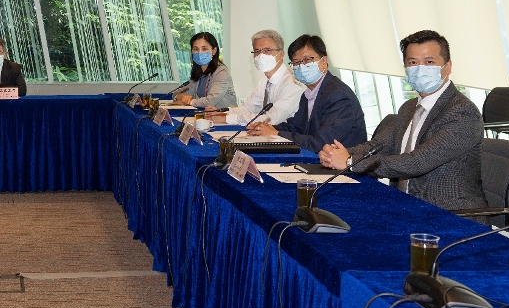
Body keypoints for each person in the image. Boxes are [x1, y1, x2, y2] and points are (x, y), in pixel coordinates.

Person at [319, 30, 487, 215]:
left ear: (448, 67)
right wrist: (336, 154)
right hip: (405, 204)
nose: (420, 69)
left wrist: (350, 162)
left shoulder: (462, 112)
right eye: (413, 62)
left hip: (449, 214)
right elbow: (379, 145)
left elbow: (416, 162)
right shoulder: (409, 107)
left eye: (429, 62)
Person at [247, 34, 366, 153]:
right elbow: (297, 127)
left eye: (307, 60)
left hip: (340, 162)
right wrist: (267, 128)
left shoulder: (337, 95)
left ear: (324, 61)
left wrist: (277, 133)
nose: (301, 66)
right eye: (296, 62)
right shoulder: (307, 94)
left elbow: (322, 143)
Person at [205, 29, 304, 127]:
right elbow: (248, 108)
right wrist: (222, 113)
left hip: (285, 134)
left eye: (267, 50)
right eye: (257, 51)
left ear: (281, 54)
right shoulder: (264, 80)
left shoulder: (292, 83)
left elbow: (271, 119)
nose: (261, 55)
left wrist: (228, 119)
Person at [173, 32, 237, 109]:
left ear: (214, 51)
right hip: (204, 115)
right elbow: (177, 93)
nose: (199, 52)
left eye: (204, 49)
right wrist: (179, 96)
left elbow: (210, 101)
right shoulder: (198, 73)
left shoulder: (222, 73)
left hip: (225, 115)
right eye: (196, 49)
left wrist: (190, 101)